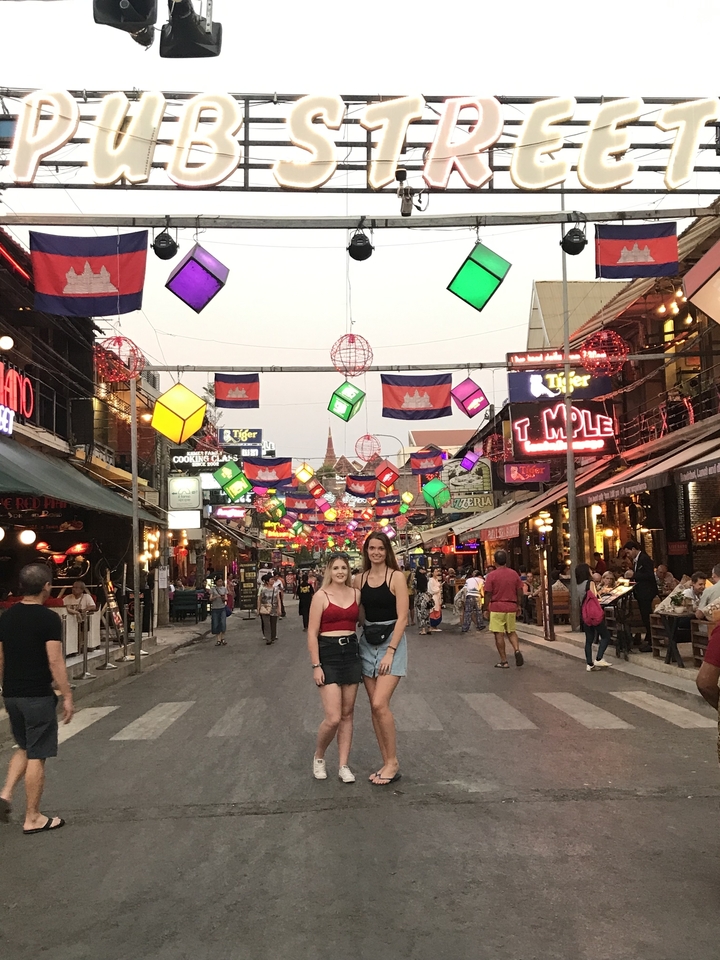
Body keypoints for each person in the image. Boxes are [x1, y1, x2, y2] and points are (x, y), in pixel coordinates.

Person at [0, 563, 74, 834]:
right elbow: (55, 661)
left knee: (24, 745)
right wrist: (67, 696)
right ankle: (33, 817)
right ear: (46, 586)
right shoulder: (48, 619)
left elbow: (0, 658)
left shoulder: (5, 618)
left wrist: (4, 687)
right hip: (37, 695)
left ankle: (5, 793)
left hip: (12, 694)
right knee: (38, 754)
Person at [354, 532, 409, 787]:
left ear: (387, 551)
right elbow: (359, 614)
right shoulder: (359, 579)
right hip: (367, 641)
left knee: (379, 703)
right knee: (374, 709)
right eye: (372, 548)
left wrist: (391, 651)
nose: (376, 552)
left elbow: (403, 617)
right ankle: (387, 762)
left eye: (380, 548)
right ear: (366, 551)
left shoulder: (396, 577)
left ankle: (393, 761)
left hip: (391, 643)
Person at [307, 553, 362, 784]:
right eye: (336, 568)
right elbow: (311, 632)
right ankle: (319, 756)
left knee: (348, 714)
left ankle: (343, 765)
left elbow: (365, 621)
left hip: (351, 651)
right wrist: (316, 665)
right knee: (333, 717)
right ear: (329, 570)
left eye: (344, 568)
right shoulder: (320, 596)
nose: (340, 572)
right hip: (328, 652)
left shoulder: (356, 594)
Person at [483, 550, 524, 669]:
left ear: (495, 561)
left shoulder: (492, 575)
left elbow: (488, 593)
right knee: (511, 631)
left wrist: (486, 608)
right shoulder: (514, 574)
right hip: (511, 606)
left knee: (498, 634)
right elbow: (520, 591)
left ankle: (504, 660)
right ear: (507, 560)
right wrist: (518, 605)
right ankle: (516, 650)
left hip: (497, 607)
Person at [576, 562, 612, 672]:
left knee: (589, 639)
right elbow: (594, 596)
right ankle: (599, 658)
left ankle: (589, 664)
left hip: (585, 613)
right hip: (594, 614)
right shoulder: (590, 582)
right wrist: (603, 591)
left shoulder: (578, 585)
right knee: (605, 636)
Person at [624, 540, 658, 652]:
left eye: (628, 552)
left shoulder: (644, 558)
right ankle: (649, 638)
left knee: (647, 616)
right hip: (640, 593)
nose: (627, 555)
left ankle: (651, 640)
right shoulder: (636, 561)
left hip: (647, 593)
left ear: (634, 549)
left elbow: (649, 575)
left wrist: (634, 575)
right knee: (644, 617)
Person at [257, 574, 280, 644]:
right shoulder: (262, 589)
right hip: (265, 608)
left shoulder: (276, 589)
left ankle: (272, 637)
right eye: (271, 579)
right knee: (266, 624)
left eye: (273, 579)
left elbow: (278, 599)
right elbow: (259, 599)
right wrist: (258, 609)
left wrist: (279, 608)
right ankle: (268, 638)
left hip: (274, 608)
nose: (273, 581)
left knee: (273, 624)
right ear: (267, 581)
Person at [209, 575, 228, 646]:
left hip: (222, 608)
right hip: (215, 608)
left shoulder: (224, 589)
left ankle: (223, 638)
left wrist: (224, 598)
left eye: (221, 581)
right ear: (216, 582)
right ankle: (218, 639)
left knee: (223, 623)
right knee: (216, 623)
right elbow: (210, 599)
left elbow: (226, 598)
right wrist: (216, 597)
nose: (220, 583)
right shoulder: (213, 589)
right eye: (218, 581)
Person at [414, 567, 431, 635]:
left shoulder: (416, 579)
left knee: (420, 613)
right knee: (427, 612)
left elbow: (414, 588)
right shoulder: (425, 578)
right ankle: (429, 628)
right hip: (426, 596)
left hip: (419, 597)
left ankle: (423, 630)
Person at [427, 568, 443, 632]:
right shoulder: (431, 581)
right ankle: (432, 625)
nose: (437, 573)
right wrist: (438, 588)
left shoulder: (436, 580)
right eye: (435, 571)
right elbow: (432, 590)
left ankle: (435, 626)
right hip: (434, 597)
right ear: (432, 573)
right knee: (434, 611)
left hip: (437, 597)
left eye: (437, 571)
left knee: (438, 610)